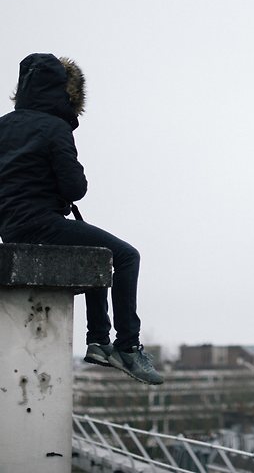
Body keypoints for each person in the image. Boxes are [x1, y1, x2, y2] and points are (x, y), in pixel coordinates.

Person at [0, 53, 163, 385]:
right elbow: (75, 188)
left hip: (11, 228)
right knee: (126, 256)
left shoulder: (3, 125)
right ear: (64, 93)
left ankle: (99, 342)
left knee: (90, 246)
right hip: (41, 224)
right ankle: (128, 347)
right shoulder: (55, 128)